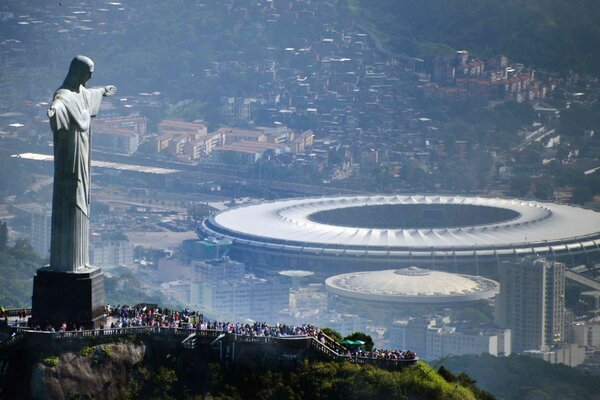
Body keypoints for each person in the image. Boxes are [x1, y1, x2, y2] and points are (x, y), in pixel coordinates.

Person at [48, 55, 116, 272]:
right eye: (88, 73)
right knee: (72, 197)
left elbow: (89, 94)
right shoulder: (64, 96)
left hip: (83, 155)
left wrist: (103, 91)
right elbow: (58, 104)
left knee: (82, 199)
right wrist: (54, 111)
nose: (90, 77)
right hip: (70, 156)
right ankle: (68, 263)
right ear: (77, 72)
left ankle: (80, 262)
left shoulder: (81, 93)